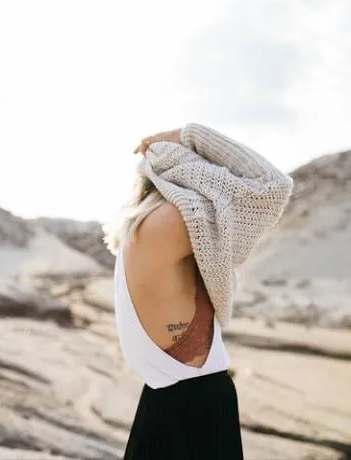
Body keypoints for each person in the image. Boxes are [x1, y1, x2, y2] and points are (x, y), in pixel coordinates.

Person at [104, 123, 293, 459]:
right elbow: (272, 186)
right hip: (194, 409)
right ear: (184, 172)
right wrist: (189, 136)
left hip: (166, 403)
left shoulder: (141, 228)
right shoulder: (169, 222)